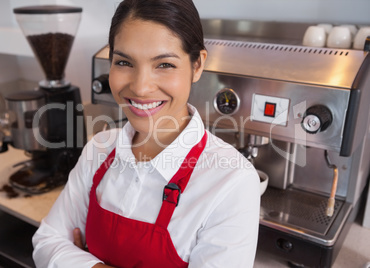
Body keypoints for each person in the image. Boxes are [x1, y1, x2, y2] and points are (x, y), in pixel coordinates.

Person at [32, 0, 260, 267]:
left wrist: (79, 260)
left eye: (164, 65)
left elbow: (58, 252)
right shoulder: (100, 148)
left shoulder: (232, 181)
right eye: (124, 62)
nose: (140, 88)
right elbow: (47, 241)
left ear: (197, 65)